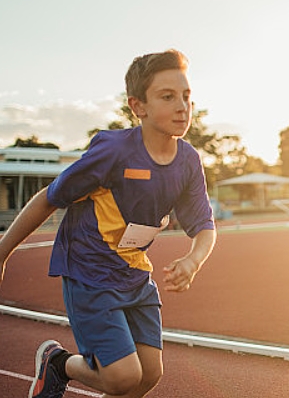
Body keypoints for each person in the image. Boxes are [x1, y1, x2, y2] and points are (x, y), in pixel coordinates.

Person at [0, 49, 217, 398]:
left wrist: (194, 260)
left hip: (134, 273)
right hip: (90, 272)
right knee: (121, 377)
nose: (183, 106)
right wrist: (2, 252)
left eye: (187, 96)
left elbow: (204, 225)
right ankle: (58, 363)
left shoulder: (188, 161)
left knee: (149, 374)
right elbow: (48, 197)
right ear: (138, 107)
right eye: (168, 96)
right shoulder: (112, 152)